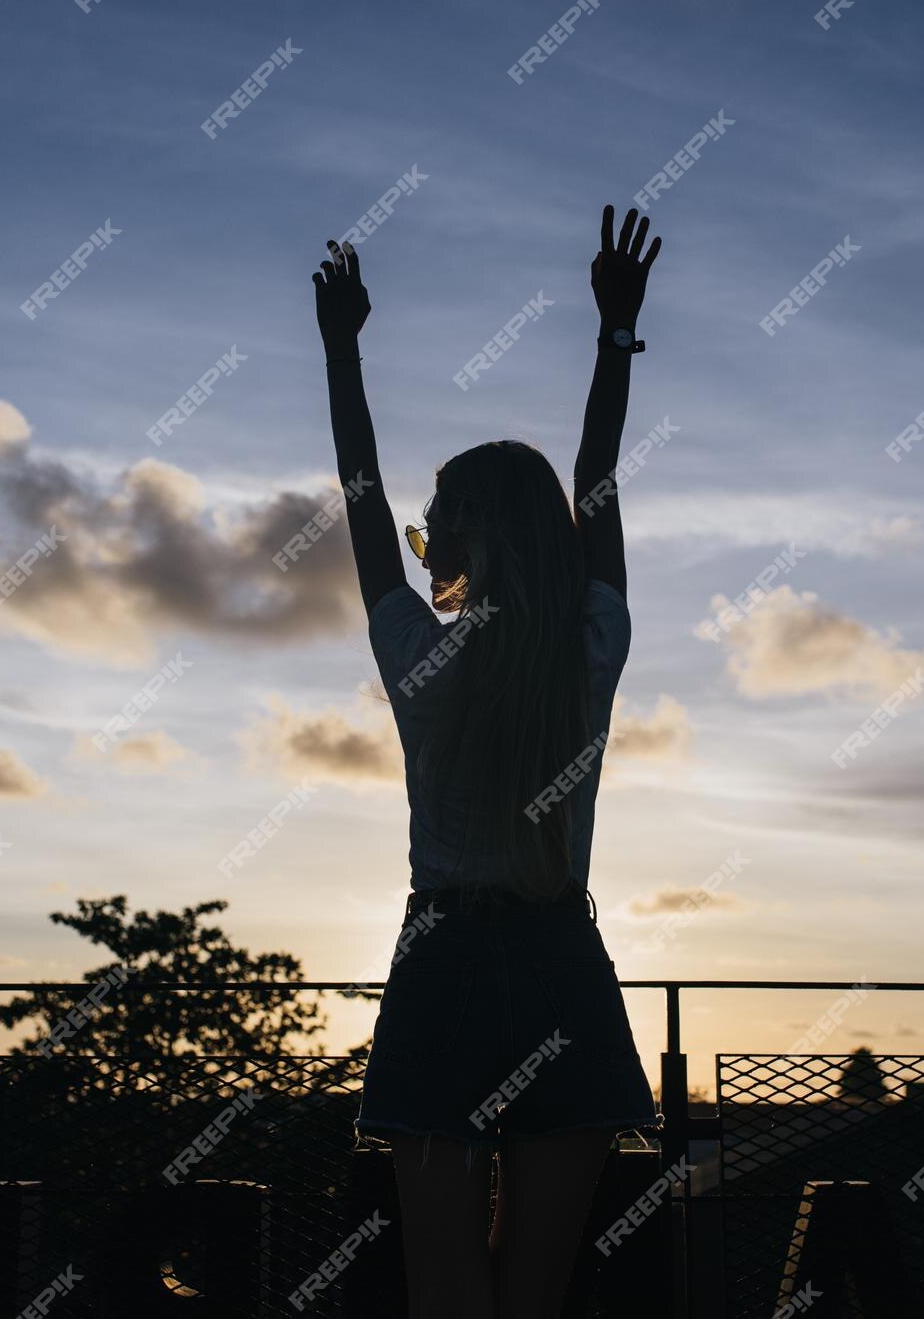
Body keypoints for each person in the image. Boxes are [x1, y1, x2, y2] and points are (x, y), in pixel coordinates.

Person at [311, 206, 665, 1318]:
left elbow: (357, 494)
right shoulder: (588, 644)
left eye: (433, 536)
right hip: (560, 958)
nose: (424, 553)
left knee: (446, 1297)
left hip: (446, 960)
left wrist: (340, 349)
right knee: (535, 1296)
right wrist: (613, 334)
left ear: (464, 544)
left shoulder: (420, 658)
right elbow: (594, 473)